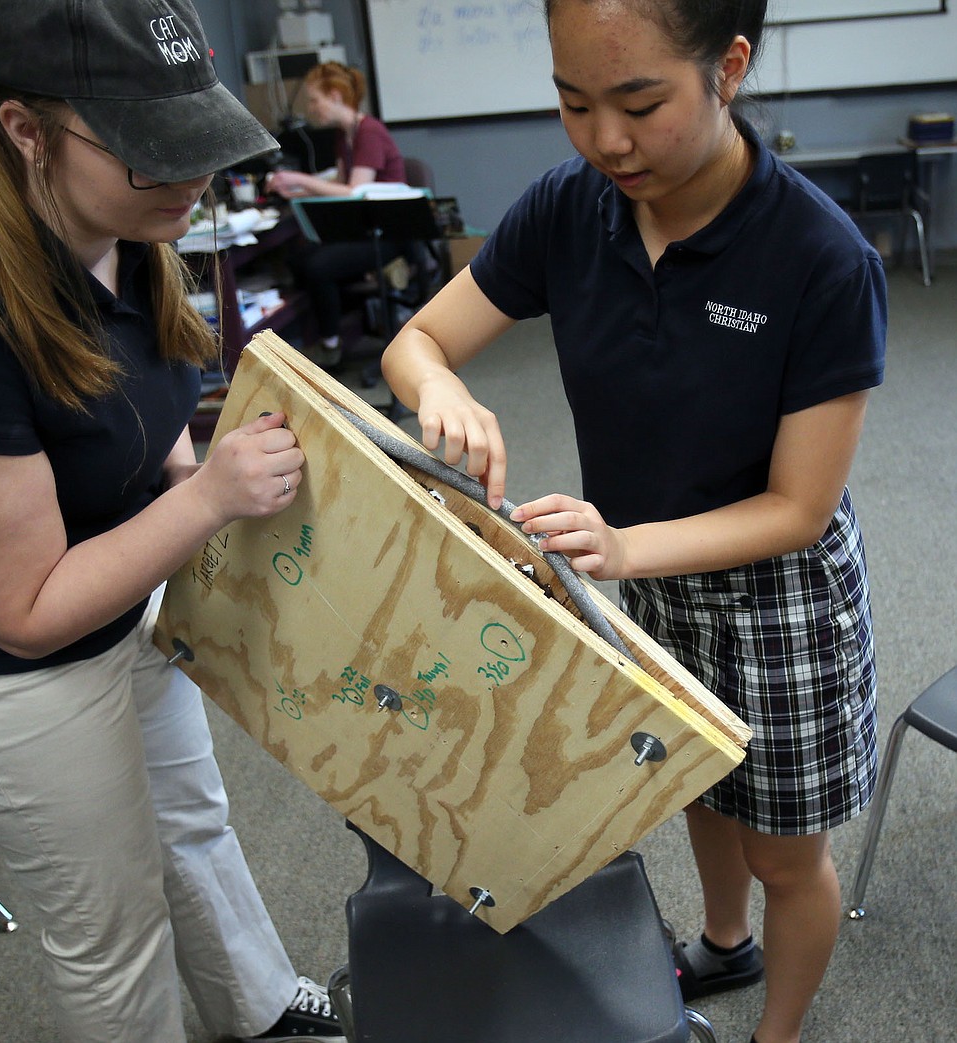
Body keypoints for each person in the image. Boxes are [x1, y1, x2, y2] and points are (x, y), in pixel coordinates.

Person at [0, 2, 341, 1041]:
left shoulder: (126, 227)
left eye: (198, 146)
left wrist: (207, 493)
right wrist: (207, 500)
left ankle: (255, 1003)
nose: (190, 184)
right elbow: (23, 609)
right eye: (156, 157)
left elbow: (152, 427)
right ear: (27, 130)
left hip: (119, 585)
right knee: (110, 923)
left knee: (192, 823)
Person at [381, 3, 884, 1042]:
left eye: (640, 103)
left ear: (729, 67)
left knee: (789, 849)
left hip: (776, 590)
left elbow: (799, 508)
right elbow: (417, 340)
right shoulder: (571, 209)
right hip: (646, 568)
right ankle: (723, 936)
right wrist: (443, 392)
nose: (606, 139)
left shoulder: (819, 257)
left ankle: (777, 1031)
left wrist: (622, 548)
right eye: (573, 103)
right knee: (695, 780)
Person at [265, 62, 407, 369]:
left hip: (389, 233)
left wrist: (300, 179)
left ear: (336, 95)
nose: (311, 109)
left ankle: (331, 344)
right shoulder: (345, 136)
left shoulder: (369, 132)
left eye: (315, 100)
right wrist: (298, 193)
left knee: (319, 266)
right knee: (299, 260)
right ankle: (343, 330)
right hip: (364, 230)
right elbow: (340, 184)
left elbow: (354, 190)